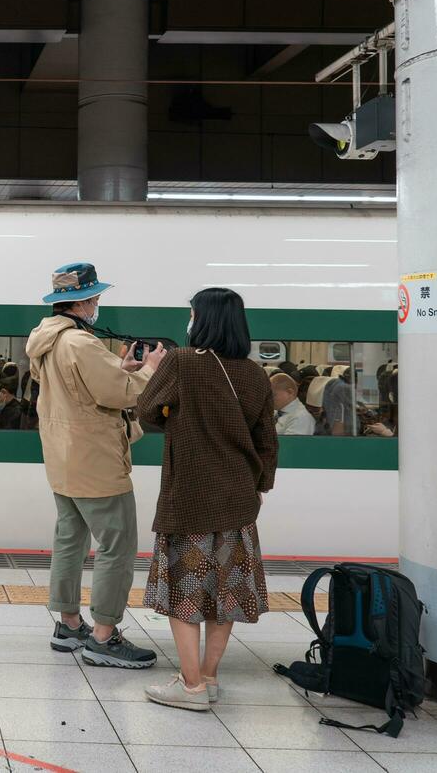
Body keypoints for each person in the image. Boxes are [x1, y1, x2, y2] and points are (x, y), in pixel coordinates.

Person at [136, 287, 278, 711]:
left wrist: (156, 373)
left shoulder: (181, 362)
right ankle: (210, 677)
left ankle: (191, 686)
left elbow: (146, 410)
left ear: (202, 319)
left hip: (190, 498)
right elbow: (266, 442)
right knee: (225, 594)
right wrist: (259, 487)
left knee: (186, 591)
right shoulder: (255, 375)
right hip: (238, 501)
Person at [26, 262, 166, 668]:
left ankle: (69, 624)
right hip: (96, 461)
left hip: (63, 457)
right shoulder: (81, 344)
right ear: (85, 300)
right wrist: (150, 372)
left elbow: (82, 390)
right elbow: (121, 395)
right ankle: (104, 636)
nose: (97, 304)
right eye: (96, 298)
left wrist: (120, 369)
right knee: (116, 547)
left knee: (70, 539)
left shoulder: (46, 339)